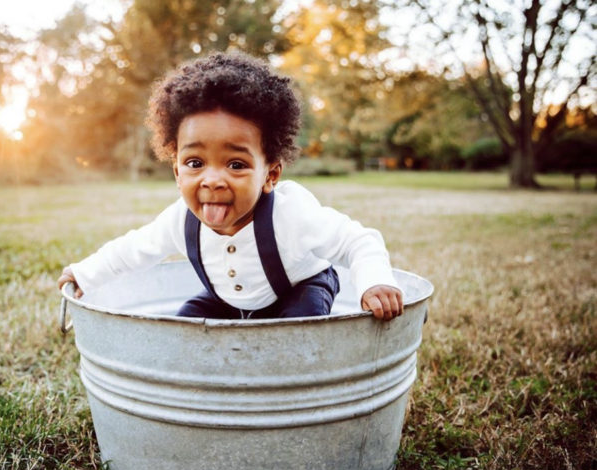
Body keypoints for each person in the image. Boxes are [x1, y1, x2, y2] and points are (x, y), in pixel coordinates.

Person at [57, 52, 403, 321]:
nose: (212, 179)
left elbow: (357, 241)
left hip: (299, 290)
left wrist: (375, 282)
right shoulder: (180, 220)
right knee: (186, 325)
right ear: (177, 171)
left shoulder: (290, 214)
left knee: (299, 327)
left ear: (270, 175)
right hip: (231, 300)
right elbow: (132, 251)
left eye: (236, 164)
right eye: (195, 163)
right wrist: (85, 273)